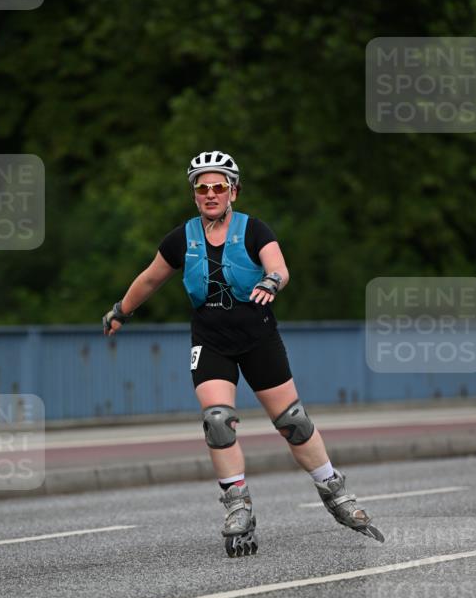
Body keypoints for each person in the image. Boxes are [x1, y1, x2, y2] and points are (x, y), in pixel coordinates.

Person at [103, 151, 384, 556]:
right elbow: (150, 279)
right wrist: (121, 311)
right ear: (194, 194)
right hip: (211, 341)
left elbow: (279, 267)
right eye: (202, 188)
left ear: (233, 191)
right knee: (217, 421)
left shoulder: (254, 230)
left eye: (218, 186)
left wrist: (272, 281)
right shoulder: (181, 239)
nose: (210, 194)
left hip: (258, 339)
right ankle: (238, 506)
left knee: (292, 422)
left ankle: (334, 491)